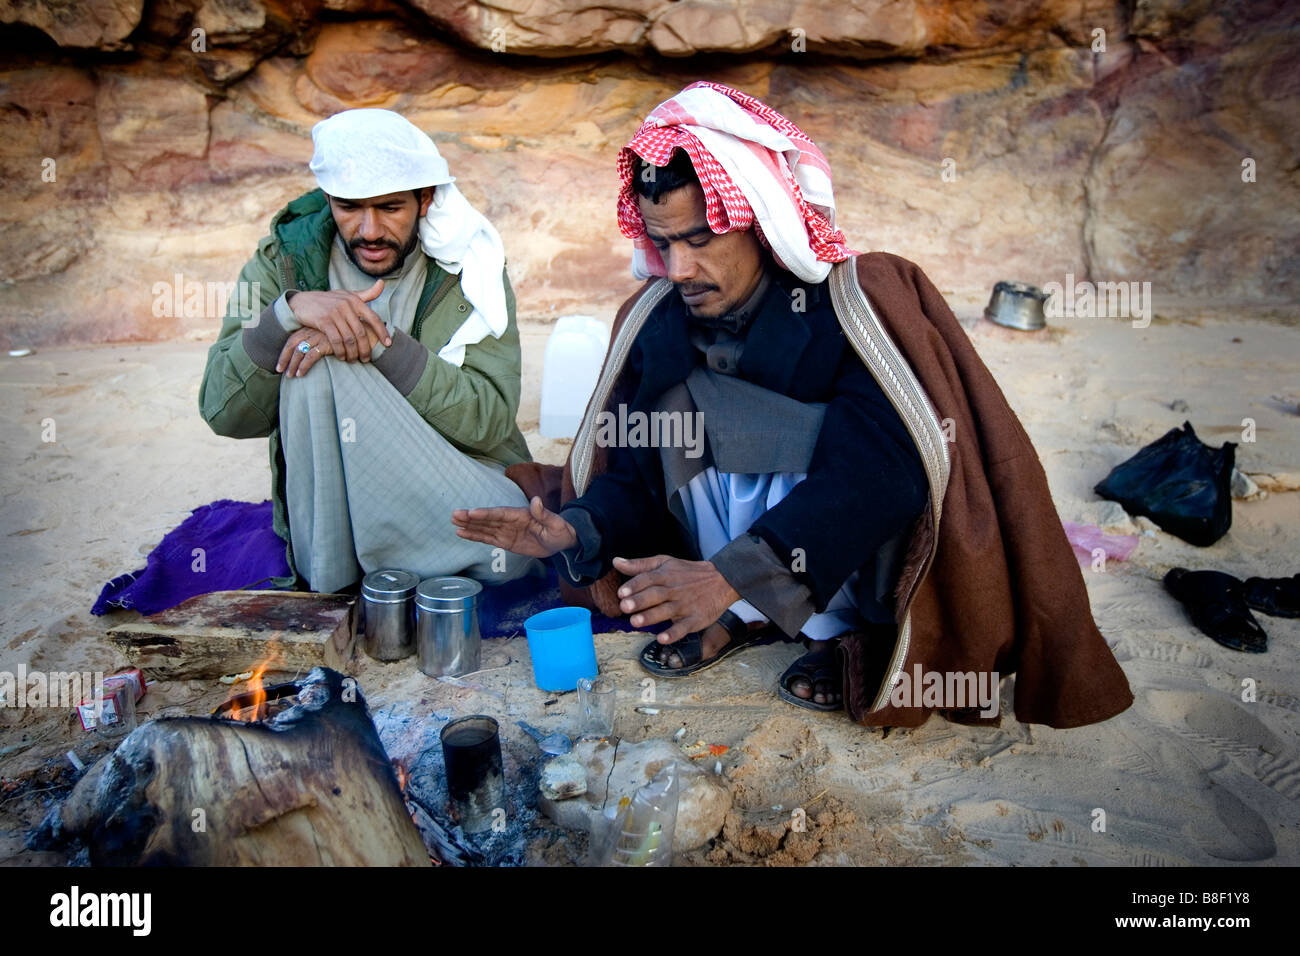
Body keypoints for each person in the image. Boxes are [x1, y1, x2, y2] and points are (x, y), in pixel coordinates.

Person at [456, 83, 1134, 728]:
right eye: (663, 244)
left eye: (700, 239)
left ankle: (844, 635)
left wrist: (731, 574)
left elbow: (884, 475)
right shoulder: (660, 318)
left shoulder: (855, 303)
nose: (679, 269)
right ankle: (747, 613)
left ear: (759, 223)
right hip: (726, 566)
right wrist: (578, 530)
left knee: (866, 455)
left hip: (843, 562)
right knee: (676, 415)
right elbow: (637, 476)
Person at [200, 108, 538, 593]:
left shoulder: (470, 266)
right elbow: (221, 412)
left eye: (390, 208)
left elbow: (490, 421)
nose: (370, 229)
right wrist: (285, 314)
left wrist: (381, 344)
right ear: (329, 199)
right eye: (350, 207)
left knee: (512, 550)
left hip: (449, 480)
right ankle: (332, 586)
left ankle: (368, 570)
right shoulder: (282, 264)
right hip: (336, 497)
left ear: (425, 199)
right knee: (309, 359)